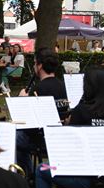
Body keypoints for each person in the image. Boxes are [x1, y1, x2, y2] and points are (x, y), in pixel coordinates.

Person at [16, 48, 68, 177]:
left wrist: (22, 101)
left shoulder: (37, 89)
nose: (34, 66)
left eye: (35, 63)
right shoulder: (63, 86)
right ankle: (32, 174)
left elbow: (27, 123)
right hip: (59, 135)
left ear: (39, 66)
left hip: (40, 139)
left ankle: (27, 175)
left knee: (14, 137)